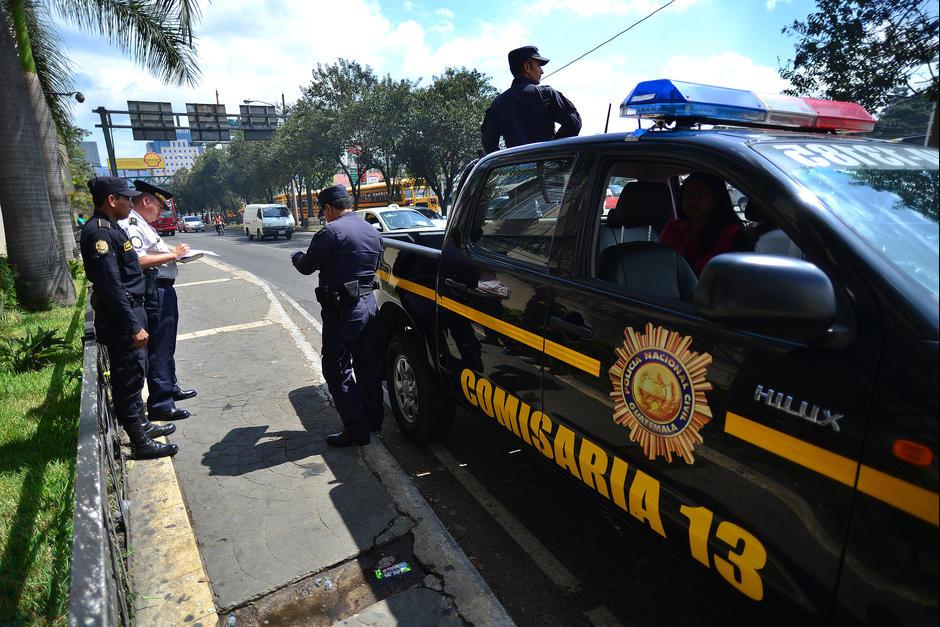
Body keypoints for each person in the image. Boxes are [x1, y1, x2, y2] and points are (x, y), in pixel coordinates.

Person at [80, 177, 178, 459]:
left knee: (136, 374)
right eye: (126, 198)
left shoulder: (111, 228)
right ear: (112, 201)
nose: (130, 203)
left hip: (132, 310)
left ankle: (142, 425)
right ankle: (139, 442)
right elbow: (111, 286)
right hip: (122, 319)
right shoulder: (99, 234)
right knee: (128, 379)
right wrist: (133, 326)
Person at [290, 185, 383, 447]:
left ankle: (356, 429)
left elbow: (307, 267)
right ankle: (373, 419)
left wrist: (296, 256)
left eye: (323, 212)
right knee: (367, 365)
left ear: (329, 208)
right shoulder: (371, 230)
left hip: (343, 312)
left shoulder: (331, 232)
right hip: (369, 306)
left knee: (336, 368)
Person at [120, 180, 197, 423]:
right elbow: (138, 260)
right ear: (146, 201)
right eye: (160, 207)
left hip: (163, 289)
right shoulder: (131, 224)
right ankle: (161, 403)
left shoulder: (143, 224)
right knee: (159, 347)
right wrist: (174, 255)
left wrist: (174, 255)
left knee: (167, 343)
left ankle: (169, 386)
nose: (161, 212)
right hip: (154, 292)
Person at [481, 45, 581, 154]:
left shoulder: (497, 104)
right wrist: (553, 147)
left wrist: (510, 162)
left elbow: (489, 144)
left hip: (517, 169)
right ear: (527, 67)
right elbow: (574, 123)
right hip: (550, 167)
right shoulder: (546, 94)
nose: (542, 71)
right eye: (538, 65)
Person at [659, 172, 745, 276]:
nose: (691, 200)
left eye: (699, 194)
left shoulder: (732, 234)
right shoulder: (673, 229)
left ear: (716, 197)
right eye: (687, 193)